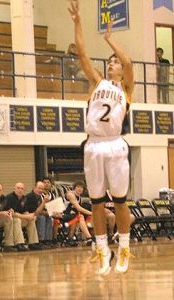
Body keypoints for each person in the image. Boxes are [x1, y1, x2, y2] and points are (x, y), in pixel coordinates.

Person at [69, 0, 134, 275]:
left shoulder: (126, 88)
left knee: (119, 201)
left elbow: (129, 60)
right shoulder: (97, 82)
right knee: (95, 201)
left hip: (115, 144)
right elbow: (83, 54)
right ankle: (101, 247)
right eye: (110, 62)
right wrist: (78, 23)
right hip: (93, 144)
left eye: (115, 62)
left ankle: (124, 247)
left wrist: (110, 40)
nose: (112, 64)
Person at [1, 182, 43, 251]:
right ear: (14, 189)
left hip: (20, 218)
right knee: (17, 220)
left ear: (24, 190)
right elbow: (13, 213)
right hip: (9, 220)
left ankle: (33, 243)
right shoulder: (9, 198)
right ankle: (19, 243)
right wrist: (26, 217)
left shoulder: (24, 198)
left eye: (22, 189)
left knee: (31, 220)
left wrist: (30, 216)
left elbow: (25, 211)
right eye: (18, 188)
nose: (20, 190)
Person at [53, 181, 93, 246]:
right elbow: (79, 208)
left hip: (71, 216)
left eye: (81, 187)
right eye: (78, 187)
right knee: (80, 216)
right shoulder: (70, 194)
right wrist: (91, 213)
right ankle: (88, 237)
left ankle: (70, 238)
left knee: (79, 217)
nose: (80, 189)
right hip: (62, 215)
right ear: (74, 188)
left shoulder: (79, 197)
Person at [25, 181, 53, 247]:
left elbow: (42, 210)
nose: (41, 190)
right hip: (30, 215)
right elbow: (36, 212)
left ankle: (48, 239)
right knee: (42, 218)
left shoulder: (40, 197)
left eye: (42, 189)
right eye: (39, 188)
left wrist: (51, 213)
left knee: (49, 217)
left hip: (37, 214)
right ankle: (41, 240)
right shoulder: (30, 197)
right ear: (34, 188)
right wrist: (44, 202)